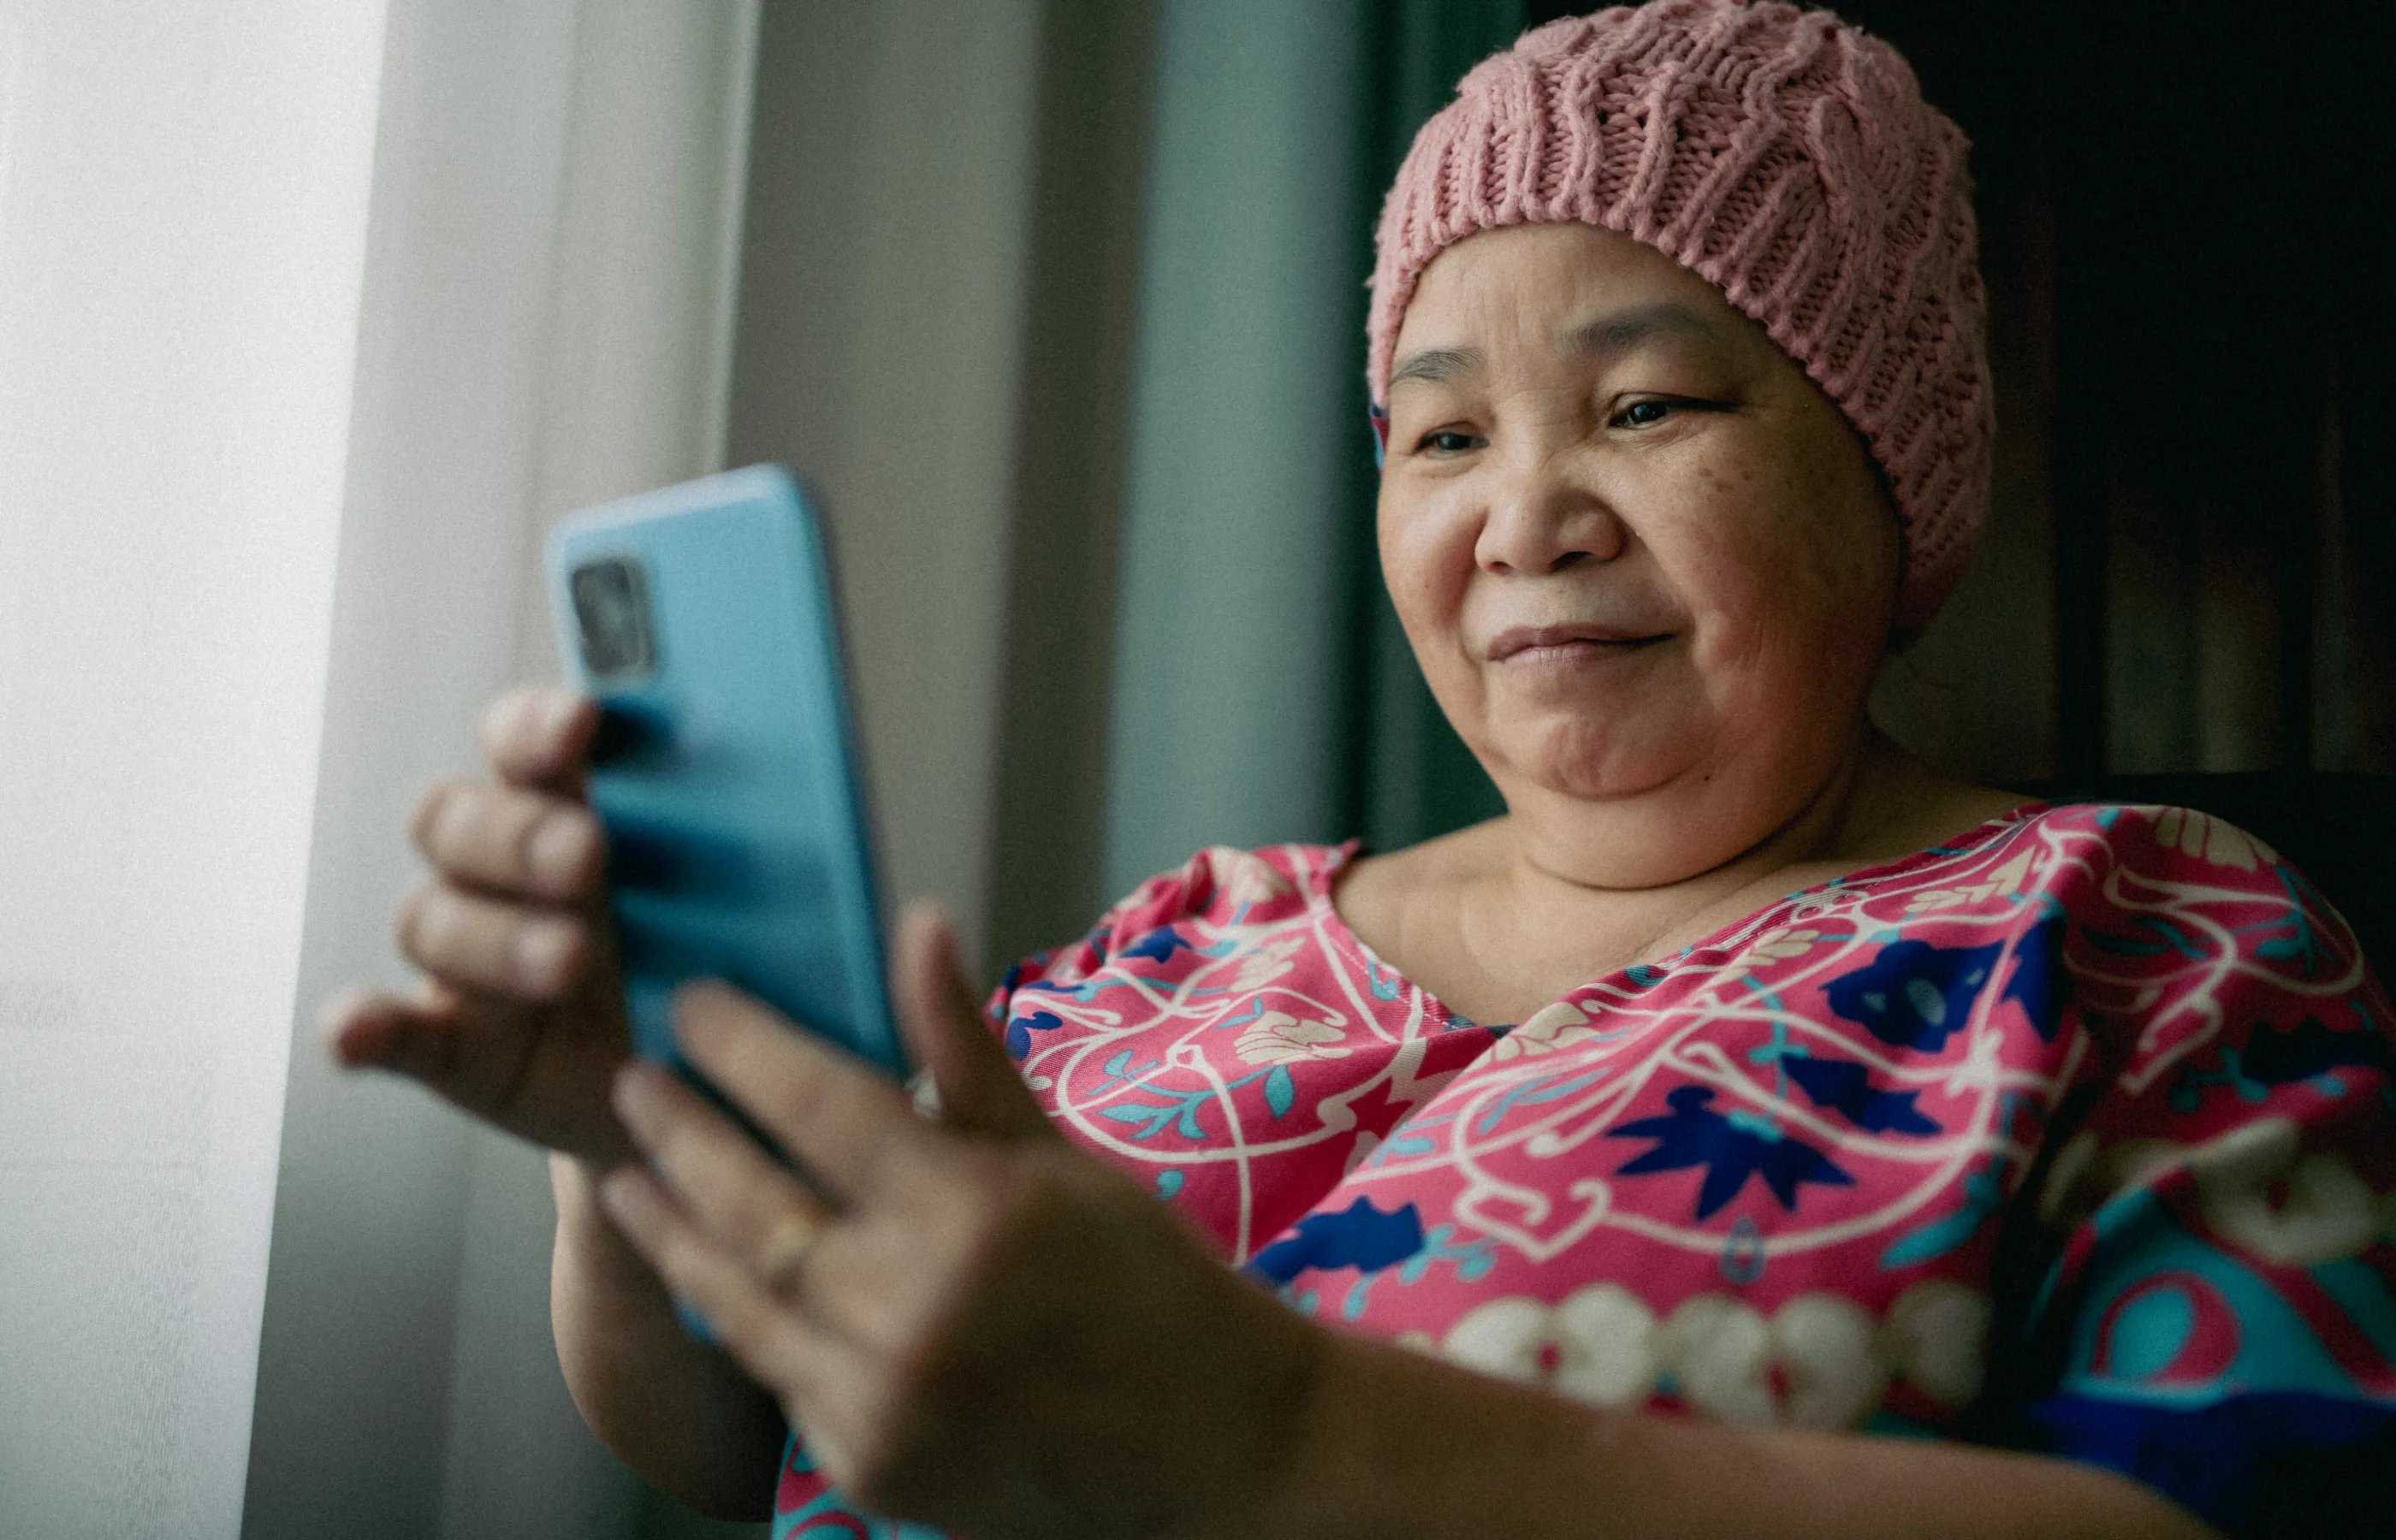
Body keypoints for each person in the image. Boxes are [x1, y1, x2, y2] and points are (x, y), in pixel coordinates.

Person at [323, 3, 2396, 1536]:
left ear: (1888, 475)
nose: (1524, 517)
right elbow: (716, 1444)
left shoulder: (2136, 938)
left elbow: (2252, 1515)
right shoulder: (1177, 949)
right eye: (1440, 434)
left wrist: (1282, 1451)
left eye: (1648, 404)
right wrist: (634, 1147)